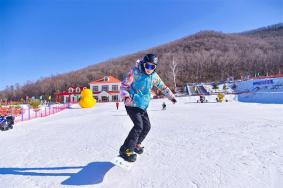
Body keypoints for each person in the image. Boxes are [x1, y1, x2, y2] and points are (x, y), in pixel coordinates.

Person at [119, 54, 177, 162]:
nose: (149, 69)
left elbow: (163, 87)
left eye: (152, 67)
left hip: (142, 106)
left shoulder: (154, 76)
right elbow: (123, 86)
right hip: (131, 103)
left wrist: (171, 97)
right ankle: (126, 150)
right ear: (143, 64)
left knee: (147, 126)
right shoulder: (135, 72)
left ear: (155, 67)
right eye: (147, 66)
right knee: (138, 126)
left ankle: (136, 144)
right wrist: (126, 96)